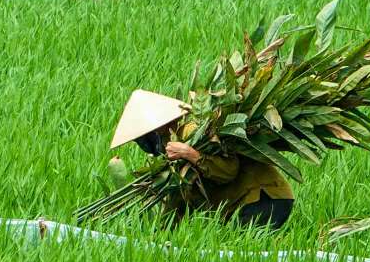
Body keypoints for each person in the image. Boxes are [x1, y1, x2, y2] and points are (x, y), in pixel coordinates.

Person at [108, 89, 294, 229]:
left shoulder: (193, 130)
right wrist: (160, 231)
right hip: (242, 204)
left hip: (263, 199)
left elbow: (229, 170)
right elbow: (180, 196)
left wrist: (190, 154)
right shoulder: (171, 141)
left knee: (243, 259)